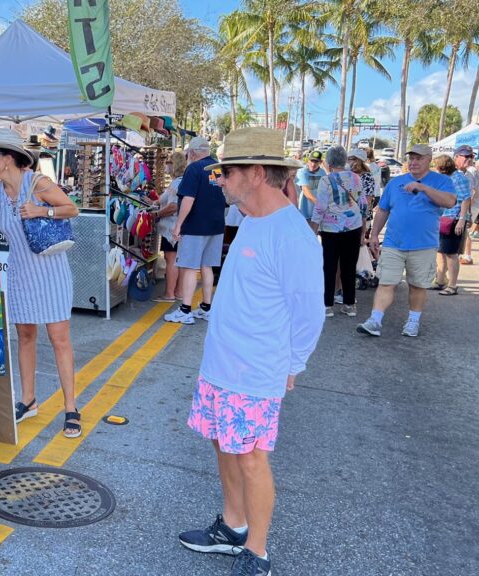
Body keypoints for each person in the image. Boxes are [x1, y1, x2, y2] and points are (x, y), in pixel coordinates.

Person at [179, 127, 324, 576]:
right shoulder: (249, 218)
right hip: (222, 363)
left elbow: (309, 313)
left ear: (257, 173)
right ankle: (232, 526)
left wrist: (292, 364)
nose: (218, 179)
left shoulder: (291, 233)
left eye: (226, 171)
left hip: (256, 367)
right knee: (224, 444)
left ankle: (256, 551)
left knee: (251, 458)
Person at [0, 128, 82, 438]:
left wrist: (42, 210)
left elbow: (72, 208)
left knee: (58, 338)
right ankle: (28, 400)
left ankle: (70, 407)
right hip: (19, 274)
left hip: (50, 272)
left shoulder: (38, 184)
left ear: (8, 158)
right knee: (25, 335)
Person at [357, 144, 457, 337]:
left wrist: (423, 188)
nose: (414, 162)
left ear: (429, 159)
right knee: (386, 282)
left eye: (419, 158)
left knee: (417, 285)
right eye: (411, 158)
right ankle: (375, 321)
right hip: (394, 242)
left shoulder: (441, 181)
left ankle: (413, 321)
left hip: (424, 245)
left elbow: (449, 201)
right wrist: (375, 234)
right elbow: (383, 209)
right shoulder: (396, 183)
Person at [164, 137, 226, 325]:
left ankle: (185, 310)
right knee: (207, 266)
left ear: (191, 153)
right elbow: (222, 194)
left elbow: (188, 199)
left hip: (195, 225)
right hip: (215, 224)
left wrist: (178, 224)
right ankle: (206, 307)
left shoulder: (193, 169)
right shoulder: (216, 168)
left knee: (190, 267)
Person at [310, 146, 367, 317]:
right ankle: (350, 304)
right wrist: (363, 229)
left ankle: (327, 305)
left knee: (329, 266)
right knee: (349, 266)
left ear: (328, 162)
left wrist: (312, 230)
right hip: (353, 227)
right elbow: (363, 204)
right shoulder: (356, 178)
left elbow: (319, 208)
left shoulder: (326, 181)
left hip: (330, 229)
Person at [430, 149, 473, 295]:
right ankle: (440, 281)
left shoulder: (458, 178)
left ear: (442, 167)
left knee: (451, 253)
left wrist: (462, 219)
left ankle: (453, 285)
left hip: (453, 219)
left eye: (436, 166)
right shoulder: (447, 178)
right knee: (441, 251)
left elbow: (466, 199)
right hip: (444, 218)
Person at [154, 151, 185, 302]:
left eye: (168, 162)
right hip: (175, 227)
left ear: (175, 165)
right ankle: (178, 292)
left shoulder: (177, 182)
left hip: (172, 228)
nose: (166, 165)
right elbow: (163, 200)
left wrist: (157, 214)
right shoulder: (179, 181)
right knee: (176, 259)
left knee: (171, 259)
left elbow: (173, 206)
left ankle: (169, 294)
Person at [295, 149, 325, 221]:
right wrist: (319, 204)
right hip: (304, 211)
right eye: (312, 161)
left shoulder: (323, 173)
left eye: (316, 161)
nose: (313, 164)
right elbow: (305, 190)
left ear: (320, 162)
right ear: (308, 160)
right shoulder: (302, 171)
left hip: (317, 212)